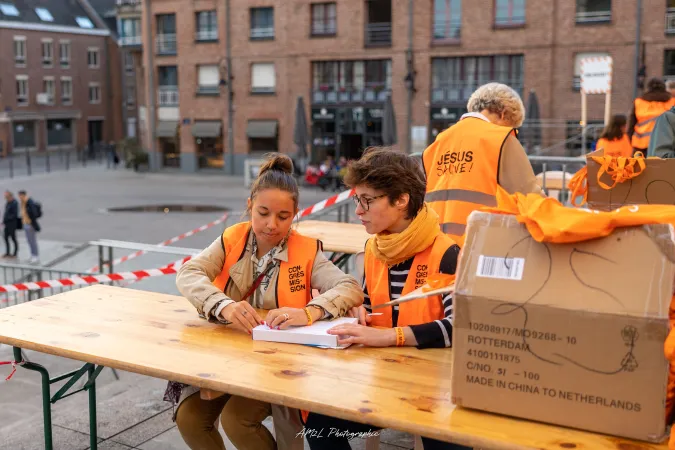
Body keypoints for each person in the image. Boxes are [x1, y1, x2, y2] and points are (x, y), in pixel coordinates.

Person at [169, 153, 364, 450]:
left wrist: (308, 312)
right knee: (189, 418)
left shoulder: (307, 250)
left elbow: (349, 286)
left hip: (278, 365)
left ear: (296, 213)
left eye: (283, 217)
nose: (271, 224)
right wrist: (224, 305)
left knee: (238, 420)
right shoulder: (231, 239)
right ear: (250, 206)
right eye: (263, 213)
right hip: (229, 358)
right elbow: (188, 273)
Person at [304, 148, 469, 450]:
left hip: (434, 390)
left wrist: (387, 337)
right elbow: (371, 304)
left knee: (451, 441)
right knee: (318, 426)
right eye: (357, 200)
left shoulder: (446, 253)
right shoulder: (374, 249)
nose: (358, 210)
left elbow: (457, 327)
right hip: (382, 382)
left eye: (367, 200)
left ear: (402, 199)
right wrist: (359, 311)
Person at [422, 82, 543, 246]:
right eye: (511, 124)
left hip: (435, 246)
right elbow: (530, 197)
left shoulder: (438, 142)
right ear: (503, 114)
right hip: (479, 243)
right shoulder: (500, 138)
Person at [628, 77, 675, 155]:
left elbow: (630, 127)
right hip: (664, 144)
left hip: (641, 145)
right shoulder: (672, 101)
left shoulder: (639, 102)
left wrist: (631, 141)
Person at [18, 190, 40, 264]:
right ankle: (32, 255)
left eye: (20, 196)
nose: (19, 197)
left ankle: (35, 256)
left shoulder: (29, 202)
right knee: (29, 241)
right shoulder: (23, 202)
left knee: (32, 241)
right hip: (25, 223)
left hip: (29, 224)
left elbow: (34, 213)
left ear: (23, 195)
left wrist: (30, 221)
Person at [2, 191, 19, 259]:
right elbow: (6, 213)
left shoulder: (15, 203)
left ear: (10, 196)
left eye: (6, 196)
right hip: (7, 224)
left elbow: (14, 214)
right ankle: (7, 253)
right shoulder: (8, 203)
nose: (5, 197)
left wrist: (7, 218)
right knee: (5, 238)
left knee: (13, 238)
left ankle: (15, 253)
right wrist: (4, 220)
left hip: (12, 224)